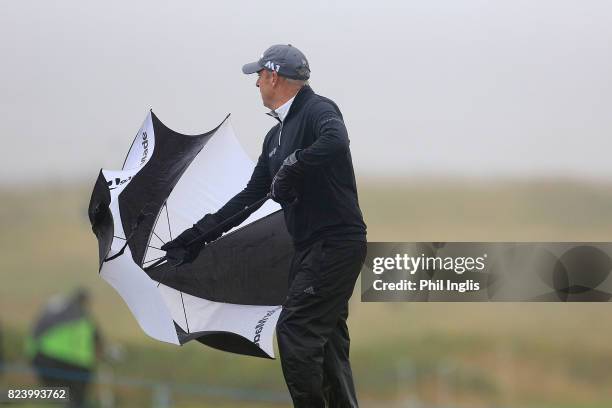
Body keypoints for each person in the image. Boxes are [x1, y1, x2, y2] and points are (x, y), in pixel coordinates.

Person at [162, 44, 367, 407]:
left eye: (258, 75)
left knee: (295, 330)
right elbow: (249, 198)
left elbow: (336, 140)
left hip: (335, 243)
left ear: (274, 76)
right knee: (328, 339)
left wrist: (295, 165)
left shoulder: (317, 109)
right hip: (310, 249)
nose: (256, 83)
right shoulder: (274, 137)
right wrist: (195, 239)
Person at [27, 288, 103, 408]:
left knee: (59, 396)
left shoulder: (55, 311)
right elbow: (98, 342)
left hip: (44, 357)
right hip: (78, 364)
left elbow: (35, 333)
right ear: (85, 302)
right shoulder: (86, 318)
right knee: (77, 399)